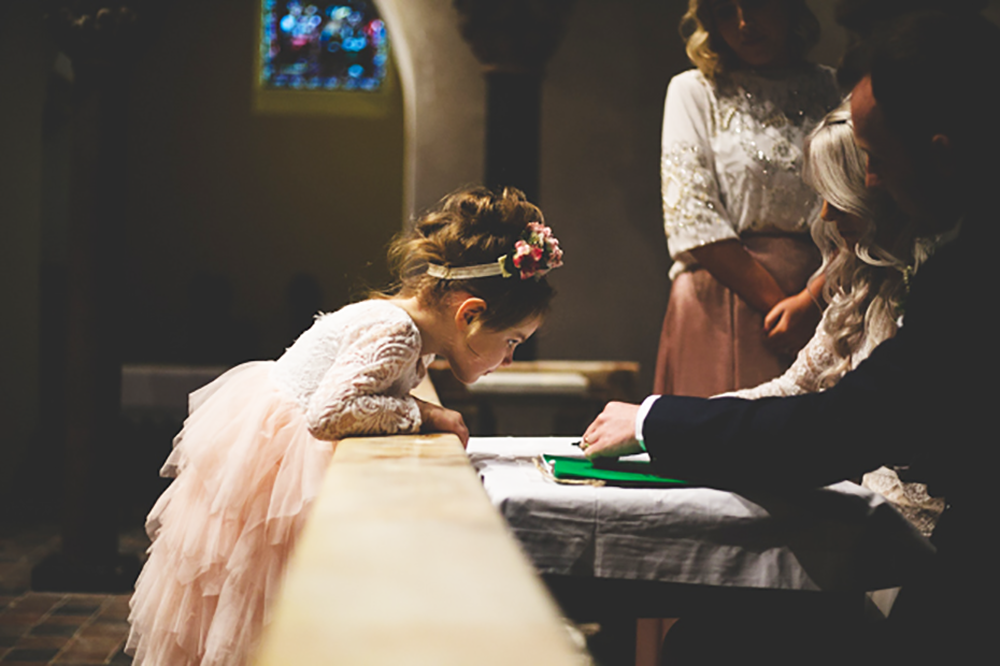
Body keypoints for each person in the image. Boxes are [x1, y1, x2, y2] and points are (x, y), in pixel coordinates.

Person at [582, 10, 999, 662]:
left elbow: (841, 427)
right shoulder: (941, 251)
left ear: (943, 154)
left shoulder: (966, 275)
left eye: (879, 162)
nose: (869, 185)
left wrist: (656, 423)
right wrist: (666, 418)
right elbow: (808, 395)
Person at [125, 186, 564, 666]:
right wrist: (423, 413)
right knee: (268, 606)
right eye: (513, 341)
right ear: (470, 314)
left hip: (273, 445)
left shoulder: (409, 328)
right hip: (278, 465)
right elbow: (329, 413)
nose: (510, 357)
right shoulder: (397, 333)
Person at [718, 97, 946, 534]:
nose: (825, 213)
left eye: (836, 194)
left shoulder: (939, 287)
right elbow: (792, 390)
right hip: (869, 523)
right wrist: (667, 420)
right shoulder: (863, 284)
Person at [654, 0, 841, 397]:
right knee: (714, 444)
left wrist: (810, 303)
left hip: (823, 290)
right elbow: (692, 214)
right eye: (724, 10)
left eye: (757, 5)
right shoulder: (694, 91)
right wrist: (784, 312)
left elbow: (862, 203)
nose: (743, 23)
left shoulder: (836, 88)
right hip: (723, 294)